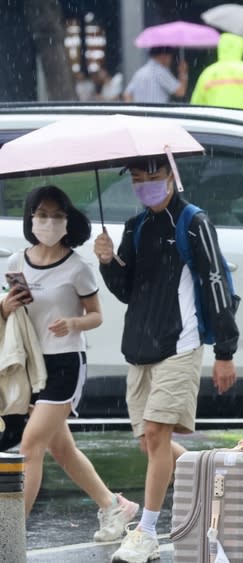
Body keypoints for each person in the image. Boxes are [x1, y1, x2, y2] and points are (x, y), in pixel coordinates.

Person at [93, 156, 240, 563]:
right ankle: (209, 477)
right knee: (150, 443)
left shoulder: (194, 223)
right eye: (138, 179)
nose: (145, 186)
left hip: (181, 343)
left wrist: (225, 351)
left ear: (172, 178)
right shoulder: (134, 227)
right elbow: (127, 289)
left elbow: (216, 284)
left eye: (152, 177)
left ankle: (146, 532)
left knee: (157, 434)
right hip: (140, 348)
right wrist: (108, 262)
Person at [2, 185, 139, 541]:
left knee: (30, 445)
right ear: (30, 218)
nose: (49, 222)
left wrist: (73, 323)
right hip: (33, 366)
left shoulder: (77, 266)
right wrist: (6, 307)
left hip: (66, 364)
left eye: (57, 215)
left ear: (68, 220)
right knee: (61, 449)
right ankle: (114, 506)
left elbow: (96, 315)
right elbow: (9, 315)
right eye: (42, 214)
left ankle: (12, 533)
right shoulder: (17, 261)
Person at [123, 47, 188, 103]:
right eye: (170, 56)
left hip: (141, 115)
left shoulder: (140, 72)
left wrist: (135, 110)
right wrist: (183, 73)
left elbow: (127, 94)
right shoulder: (161, 71)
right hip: (157, 115)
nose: (170, 60)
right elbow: (180, 92)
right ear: (163, 56)